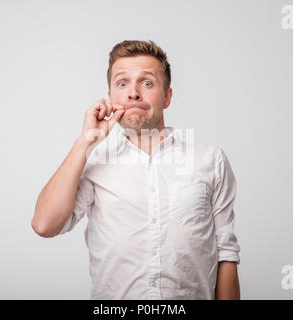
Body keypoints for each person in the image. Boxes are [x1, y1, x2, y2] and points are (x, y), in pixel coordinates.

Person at [31, 40, 241, 300]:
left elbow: (226, 254)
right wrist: (86, 140)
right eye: (122, 83)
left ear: (167, 97)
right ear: (110, 98)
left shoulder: (211, 160)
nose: (133, 93)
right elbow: (44, 225)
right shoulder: (93, 162)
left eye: (147, 83)